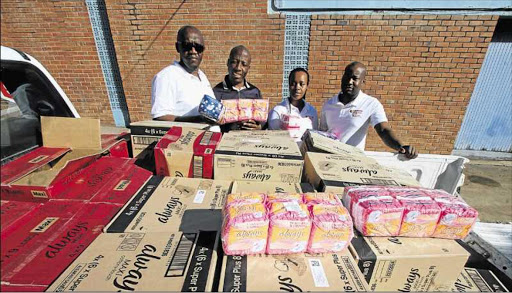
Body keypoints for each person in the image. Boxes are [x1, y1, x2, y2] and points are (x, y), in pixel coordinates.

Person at [320, 61, 418, 159]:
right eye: (347, 76)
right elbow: (322, 134)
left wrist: (400, 146)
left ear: (363, 82)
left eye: (355, 78)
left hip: (352, 165)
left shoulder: (370, 104)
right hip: (328, 163)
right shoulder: (329, 104)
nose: (349, 82)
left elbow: (383, 130)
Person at [150, 25, 214, 122]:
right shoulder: (166, 77)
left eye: (198, 47)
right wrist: (198, 120)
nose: (193, 51)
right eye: (187, 46)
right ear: (177, 47)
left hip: (212, 136)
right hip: (189, 136)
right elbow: (160, 117)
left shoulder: (202, 76)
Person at [213, 45, 263, 132]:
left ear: (248, 68)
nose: (238, 68)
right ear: (228, 63)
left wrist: (259, 127)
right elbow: (210, 125)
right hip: (225, 143)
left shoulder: (254, 92)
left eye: (244, 64)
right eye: (234, 62)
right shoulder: (216, 92)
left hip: (248, 142)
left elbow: (262, 122)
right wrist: (228, 128)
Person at [268, 68, 318, 142]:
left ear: (307, 85)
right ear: (288, 85)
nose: (297, 87)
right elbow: (273, 139)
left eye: (302, 84)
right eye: (293, 83)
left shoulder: (312, 112)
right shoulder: (277, 111)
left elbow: (314, 137)